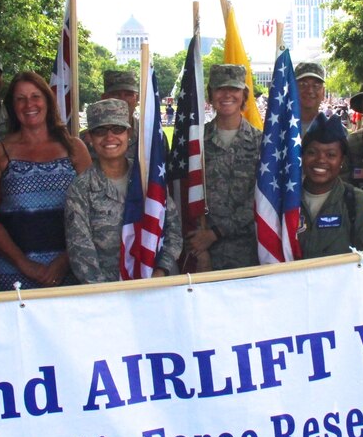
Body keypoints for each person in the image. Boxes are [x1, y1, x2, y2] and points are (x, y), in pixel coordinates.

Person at [0, 71, 91, 291]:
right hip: (11, 275)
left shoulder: (75, 148)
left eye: (35, 96)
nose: (28, 104)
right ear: (12, 106)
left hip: (70, 271)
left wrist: (64, 262)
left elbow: (92, 211)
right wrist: (26, 266)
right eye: (20, 99)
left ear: (47, 101)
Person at [65, 99, 182, 283]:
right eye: (100, 131)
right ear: (89, 137)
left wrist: (159, 273)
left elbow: (173, 231)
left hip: (154, 285)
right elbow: (80, 252)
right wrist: (110, 296)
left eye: (118, 129)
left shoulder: (147, 181)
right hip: (107, 294)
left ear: (129, 133)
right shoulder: (81, 189)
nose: (110, 137)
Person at [184, 64, 263, 270]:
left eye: (234, 89)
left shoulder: (260, 142)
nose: (227, 94)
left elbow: (260, 198)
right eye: (220, 88)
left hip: (250, 252)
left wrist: (216, 233)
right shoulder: (196, 143)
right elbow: (186, 194)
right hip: (205, 253)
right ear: (210, 95)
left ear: (244, 94)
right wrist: (201, 248)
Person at [299, 114, 363, 258]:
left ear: (342, 160)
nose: (320, 160)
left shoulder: (359, 204)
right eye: (312, 153)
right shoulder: (284, 202)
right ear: (302, 157)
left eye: (331, 155)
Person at [295, 61, 326, 129]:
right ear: (293, 89)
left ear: (323, 92)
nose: (310, 90)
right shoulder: (278, 130)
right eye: (303, 84)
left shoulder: (336, 133)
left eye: (316, 85)